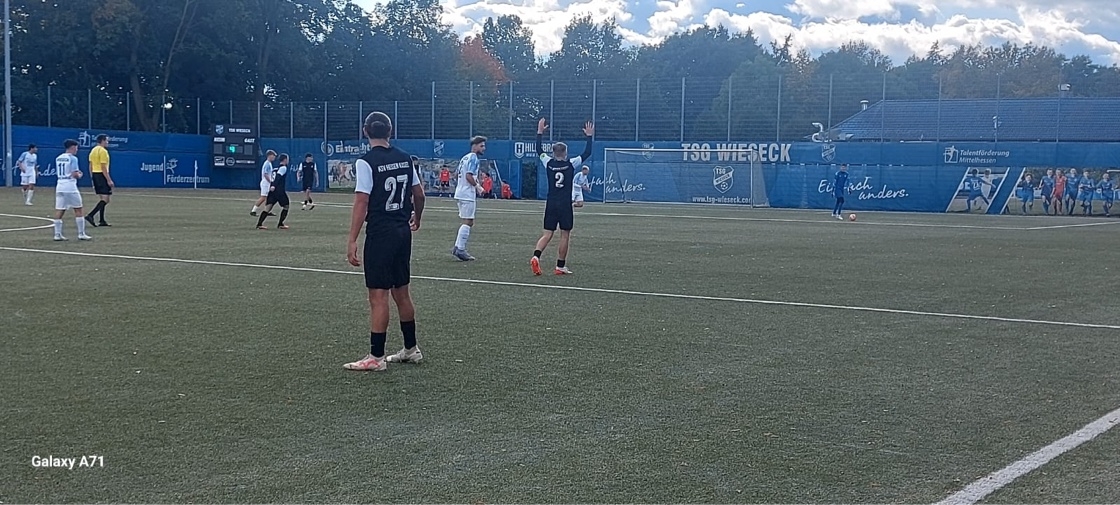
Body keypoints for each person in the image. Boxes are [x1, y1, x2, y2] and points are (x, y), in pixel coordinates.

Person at [344, 112, 426, 371]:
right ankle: (411, 348)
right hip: (402, 231)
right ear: (390, 131)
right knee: (401, 292)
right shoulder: (405, 158)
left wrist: (352, 238)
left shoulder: (366, 162)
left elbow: (362, 200)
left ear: (365, 131)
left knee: (378, 295)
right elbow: (419, 194)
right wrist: (417, 218)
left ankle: (376, 357)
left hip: (381, 233)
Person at [530, 118, 593, 276]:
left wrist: (539, 132)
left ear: (553, 153)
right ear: (565, 153)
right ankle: (560, 266)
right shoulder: (571, 164)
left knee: (547, 234)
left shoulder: (548, 163)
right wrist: (589, 136)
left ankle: (536, 256)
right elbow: (587, 153)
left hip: (551, 202)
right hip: (565, 203)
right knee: (565, 234)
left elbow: (538, 150)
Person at [451, 136, 486, 261]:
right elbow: (468, 176)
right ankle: (460, 249)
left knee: (467, 220)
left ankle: (457, 247)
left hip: (460, 192)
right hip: (467, 194)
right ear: (474, 146)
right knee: (468, 221)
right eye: (481, 146)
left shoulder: (464, 157)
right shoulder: (473, 158)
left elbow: (456, 175)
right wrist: (478, 187)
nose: (484, 148)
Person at [52, 140, 92, 241]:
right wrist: (80, 175)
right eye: (76, 147)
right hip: (70, 186)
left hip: (60, 185)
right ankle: (81, 233)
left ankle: (57, 234)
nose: (77, 150)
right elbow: (75, 174)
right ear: (72, 147)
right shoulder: (73, 158)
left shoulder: (58, 157)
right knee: (78, 209)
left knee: (60, 209)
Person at [256, 154, 291, 230]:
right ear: (285, 160)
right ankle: (280, 224)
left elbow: (273, 178)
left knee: (268, 207)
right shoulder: (283, 168)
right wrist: (274, 186)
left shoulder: (275, 169)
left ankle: (259, 224)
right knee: (286, 206)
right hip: (279, 191)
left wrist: (272, 186)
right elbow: (278, 177)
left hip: (272, 191)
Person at [86, 134, 113, 227]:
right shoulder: (103, 151)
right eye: (107, 140)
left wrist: (92, 178)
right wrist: (109, 179)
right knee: (106, 199)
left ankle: (102, 220)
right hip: (101, 175)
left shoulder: (93, 150)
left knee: (102, 198)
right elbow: (103, 167)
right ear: (102, 141)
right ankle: (91, 215)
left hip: (95, 174)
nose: (107, 142)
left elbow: (90, 165)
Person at [251, 150, 277, 216]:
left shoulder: (269, 163)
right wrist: (270, 182)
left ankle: (266, 211)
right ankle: (253, 211)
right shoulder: (267, 164)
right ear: (269, 156)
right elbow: (265, 174)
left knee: (268, 198)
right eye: (273, 156)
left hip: (267, 183)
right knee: (263, 197)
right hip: (265, 183)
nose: (274, 157)